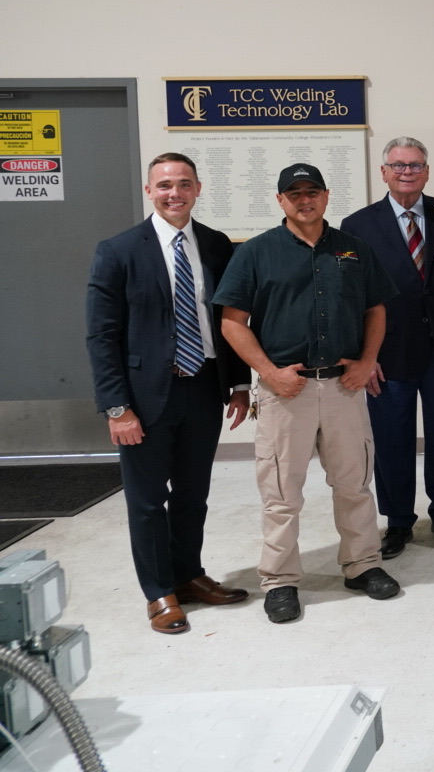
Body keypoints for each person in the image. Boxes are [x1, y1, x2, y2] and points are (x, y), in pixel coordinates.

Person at [214, 163, 400, 624]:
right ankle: (280, 581)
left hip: (343, 386)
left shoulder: (354, 250)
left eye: (312, 191)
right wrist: (269, 373)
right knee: (281, 492)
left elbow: (376, 309)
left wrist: (366, 360)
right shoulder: (256, 253)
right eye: (293, 193)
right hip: (286, 392)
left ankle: (362, 566)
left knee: (354, 483)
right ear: (280, 200)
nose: (304, 200)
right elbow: (232, 322)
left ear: (326, 195)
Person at [85, 153, 252, 635]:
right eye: (164, 185)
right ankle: (159, 592)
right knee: (146, 500)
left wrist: (239, 383)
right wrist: (117, 407)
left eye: (183, 184)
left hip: (203, 387)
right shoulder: (117, 251)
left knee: (193, 495)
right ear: (148, 191)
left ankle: (189, 576)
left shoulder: (219, 245)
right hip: (142, 397)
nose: (173, 193)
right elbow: (101, 335)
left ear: (198, 189)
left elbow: (231, 321)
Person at [339, 136, 434, 560]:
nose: (406, 172)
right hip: (387, 352)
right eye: (398, 165)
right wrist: (363, 356)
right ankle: (397, 521)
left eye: (415, 165)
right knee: (392, 440)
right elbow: (350, 295)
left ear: (426, 171)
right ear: (384, 172)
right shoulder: (358, 225)